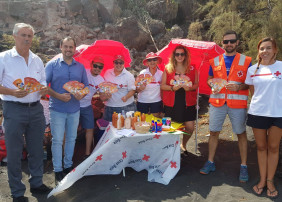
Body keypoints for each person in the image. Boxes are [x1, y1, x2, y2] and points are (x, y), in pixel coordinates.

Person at [0, 23, 50, 202]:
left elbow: (43, 81)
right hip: (13, 109)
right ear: (14, 36)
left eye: (30, 35)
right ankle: (17, 192)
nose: (27, 39)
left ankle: (36, 182)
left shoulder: (37, 59)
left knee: (37, 149)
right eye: (23, 35)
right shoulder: (3, 58)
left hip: (36, 109)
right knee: (14, 152)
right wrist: (12, 92)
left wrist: (43, 89)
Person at [199, 30, 252, 183]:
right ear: (222, 43)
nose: (229, 44)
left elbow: (251, 82)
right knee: (213, 132)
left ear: (237, 42)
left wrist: (240, 87)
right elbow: (209, 78)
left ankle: (243, 166)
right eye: (226, 42)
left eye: (232, 41)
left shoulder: (247, 60)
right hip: (217, 103)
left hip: (237, 103)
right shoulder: (215, 61)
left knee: (241, 134)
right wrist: (211, 83)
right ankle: (210, 162)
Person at [45, 37, 89, 184]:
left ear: (75, 49)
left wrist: (81, 94)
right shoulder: (51, 65)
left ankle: (68, 166)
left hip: (74, 109)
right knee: (57, 140)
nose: (68, 49)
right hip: (57, 108)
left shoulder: (80, 67)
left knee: (71, 139)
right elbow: (44, 87)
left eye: (71, 47)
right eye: (66, 46)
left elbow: (86, 86)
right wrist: (58, 95)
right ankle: (57, 169)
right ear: (61, 47)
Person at [245, 37, 282, 199]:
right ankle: (262, 179)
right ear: (258, 51)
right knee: (261, 148)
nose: (264, 51)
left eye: (268, 48)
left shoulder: (281, 66)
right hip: (258, 112)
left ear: (275, 50)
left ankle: (270, 181)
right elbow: (253, 92)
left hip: (278, 114)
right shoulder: (252, 69)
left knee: (273, 148)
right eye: (262, 48)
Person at [161, 45, 199, 156]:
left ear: (185, 55)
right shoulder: (168, 68)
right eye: (177, 54)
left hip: (188, 102)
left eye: (182, 54)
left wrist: (190, 88)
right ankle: (169, 149)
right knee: (168, 128)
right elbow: (162, 86)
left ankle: (184, 144)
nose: (180, 56)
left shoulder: (192, 68)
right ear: (174, 56)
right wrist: (172, 88)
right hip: (171, 103)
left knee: (190, 127)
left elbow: (196, 85)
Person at [79, 56, 106, 158]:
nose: (97, 68)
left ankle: (87, 154)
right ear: (91, 64)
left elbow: (102, 97)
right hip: (75, 105)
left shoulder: (101, 79)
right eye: (95, 65)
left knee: (90, 129)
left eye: (100, 67)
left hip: (87, 106)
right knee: (71, 131)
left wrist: (107, 95)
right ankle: (67, 154)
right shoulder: (83, 72)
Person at [103, 54, 136, 121]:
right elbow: (104, 87)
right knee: (109, 128)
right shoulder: (107, 73)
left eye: (121, 63)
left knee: (126, 129)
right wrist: (105, 94)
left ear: (124, 63)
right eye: (116, 62)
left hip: (126, 107)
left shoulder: (129, 75)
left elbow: (133, 90)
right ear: (113, 63)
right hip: (110, 106)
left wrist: (126, 97)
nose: (118, 65)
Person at [136, 52, 163, 117]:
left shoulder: (161, 73)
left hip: (156, 101)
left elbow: (163, 88)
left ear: (157, 61)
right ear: (147, 63)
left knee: (154, 122)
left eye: (154, 59)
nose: (152, 62)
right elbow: (137, 90)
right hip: (143, 101)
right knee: (143, 123)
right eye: (149, 60)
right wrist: (140, 88)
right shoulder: (142, 73)